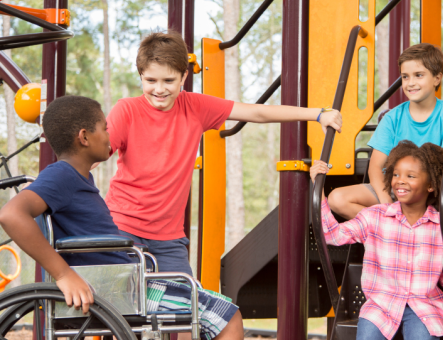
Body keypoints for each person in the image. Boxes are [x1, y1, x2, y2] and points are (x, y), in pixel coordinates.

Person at [0, 96, 243, 340]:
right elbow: (11, 214)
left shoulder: (75, 177)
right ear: (84, 137)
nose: (109, 134)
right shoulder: (62, 175)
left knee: (203, 297)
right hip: (117, 290)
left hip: (123, 284)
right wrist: (64, 274)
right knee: (226, 317)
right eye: (105, 128)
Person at [102, 31, 341, 276]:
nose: (159, 89)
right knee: (128, 305)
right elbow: (94, 153)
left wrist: (318, 114)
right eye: (151, 80)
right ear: (141, 76)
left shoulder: (195, 107)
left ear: (184, 76)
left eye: (168, 81)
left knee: (185, 308)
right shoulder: (127, 110)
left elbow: (256, 113)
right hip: (123, 227)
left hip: (168, 238)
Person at [310, 140, 443, 340]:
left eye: (410, 176)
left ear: (431, 185)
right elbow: (332, 235)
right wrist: (319, 192)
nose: (400, 181)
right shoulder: (375, 216)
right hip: (381, 306)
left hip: (423, 307)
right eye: (396, 174)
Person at [327, 43, 443, 227]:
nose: (410, 83)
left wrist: (427, 193)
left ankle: (434, 230)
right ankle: (393, 227)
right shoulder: (392, 118)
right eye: (405, 76)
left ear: (437, 78)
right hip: (397, 190)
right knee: (336, 199)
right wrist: (388, 206)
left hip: (433, 190)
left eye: (418, 75)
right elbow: (375, 168)